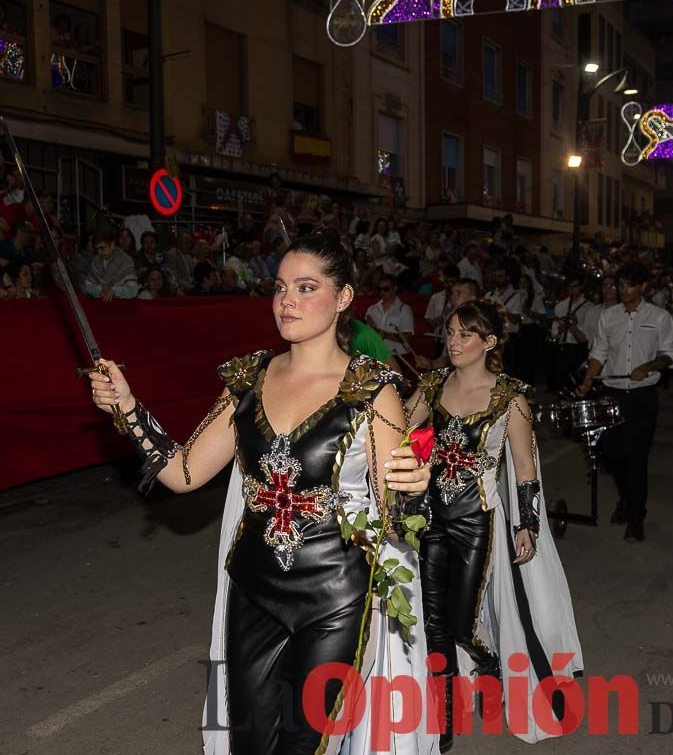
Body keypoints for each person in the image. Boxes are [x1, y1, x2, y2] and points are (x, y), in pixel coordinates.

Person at [87, 230, 435, 753]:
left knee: (304, 745)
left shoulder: (372, 387)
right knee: (249, 743)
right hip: (252, 591)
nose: (287, 301)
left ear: (343, 299)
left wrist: (415, 484)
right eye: (280, 287)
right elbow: (182, 472)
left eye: (305, 287)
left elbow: (395, 514)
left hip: (336, 599)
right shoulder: (248, 379)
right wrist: (128, 409)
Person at [408, 300, 582, 747]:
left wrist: (527, 525)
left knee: (462, 624)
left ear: (489, 342)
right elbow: (395, 434)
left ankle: (491, 667)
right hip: (429, 522)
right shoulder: (430, 386)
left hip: (477, 524)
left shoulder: (511, 397)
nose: (454, 341)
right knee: (433, 626)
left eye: (466, 334)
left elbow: (524, 468)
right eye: (449, 332)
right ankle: (443, 717)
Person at [577, 263, 673, 541]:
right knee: (612, 455)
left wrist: (648, 366)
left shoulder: (659, 317)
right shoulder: (608, 317)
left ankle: (635, 517)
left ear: (643, 287)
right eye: (620, 285)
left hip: (642, 397)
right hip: (611, 393)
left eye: (629, 285)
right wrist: (588, 380)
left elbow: (669, 355)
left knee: (636, 458)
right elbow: (599, 352)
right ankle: (627, 498)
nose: (623, 290)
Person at [547, 275, 594, 392]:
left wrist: (575, 326)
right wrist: (561, 328)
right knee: (562, 386)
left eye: (575, 287)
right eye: (569, 287)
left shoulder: (590, 307)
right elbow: (553, 333)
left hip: (580, 350)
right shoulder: (560, 306)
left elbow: (588, 337)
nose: (572, 290)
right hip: (563, 349)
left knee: (578, 385)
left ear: (582, 287)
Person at [365, 274, 414, 358]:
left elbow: (407, 338)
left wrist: (385, 335)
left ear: (395, 289)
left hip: (398, 356)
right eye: (379, 289)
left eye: (386, 289)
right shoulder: (372, 309)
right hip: (376, 354)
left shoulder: (404, 309)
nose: (382, 292)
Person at [85, 230, 139, 300]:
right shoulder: (96, 261)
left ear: (112, 245)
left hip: (121, 306)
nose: (99, 252)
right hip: (99, 306)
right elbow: (88, 286)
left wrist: (114, 291)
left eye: (102, 248)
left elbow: (133, 290)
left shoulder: (126, 261)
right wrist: (102, 289)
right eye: (97, 249)